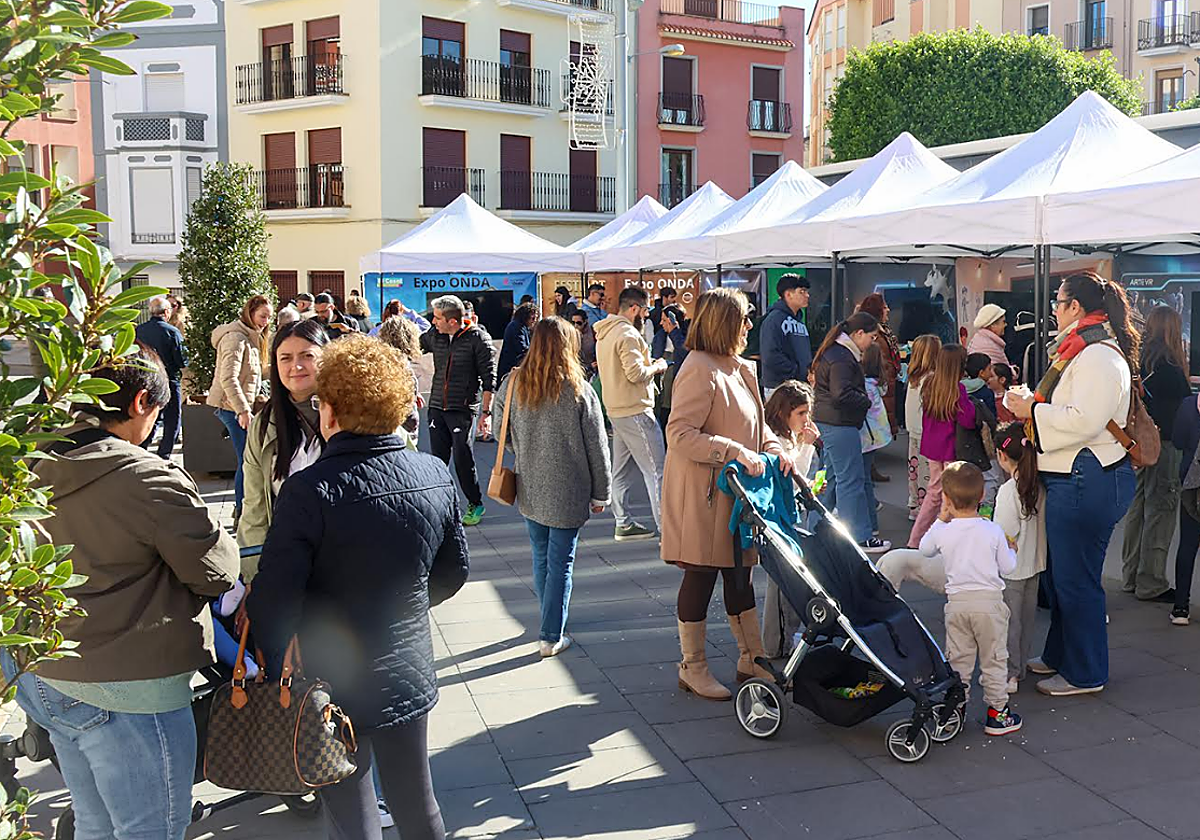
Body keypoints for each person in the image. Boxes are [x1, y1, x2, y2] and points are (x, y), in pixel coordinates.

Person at [1, 345, 239, 840]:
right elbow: (214, 574)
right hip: (129, 689)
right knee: (149, 829)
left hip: (40, 671)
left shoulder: (24, 464)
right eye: (156, 413)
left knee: (96, 823)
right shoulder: (146, 477)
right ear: (140, 403)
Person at [247, 335, 468, 840]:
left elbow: (274, 598)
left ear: (330, 412)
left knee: (351, 810)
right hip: (406, 662)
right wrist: (404, 604)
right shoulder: (433, 472)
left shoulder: (310, 490)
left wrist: (276, 652)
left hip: (329, 675)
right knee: (417, 800)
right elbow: (453, 572)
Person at [1008, 271, 1137, 696]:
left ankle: (1085, 673)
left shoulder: (1097, 355)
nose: (1054, 311)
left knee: (1075, 580)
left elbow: (1084, 421)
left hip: (1086, 477)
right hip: (1079, 476)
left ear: (1074, 307)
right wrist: (1032, 406)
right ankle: (1062, 656)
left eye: (1057, 303)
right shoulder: (1085, 349)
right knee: (1066, 577)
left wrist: (1031, 410)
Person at [661, 288, 788, 700]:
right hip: (704, 496)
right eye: (744, 318)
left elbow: (757, 425)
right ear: (725, 323)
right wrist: (734, 451)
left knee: (740, 575)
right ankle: (692, 666)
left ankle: (752, 657)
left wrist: (775, 449)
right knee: (700, 576)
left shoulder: (738, 366)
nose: (750, 325)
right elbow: (679, 433)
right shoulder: (699, 367)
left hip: (737, 495)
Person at [493, 318, 611, 657]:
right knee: (562, 561)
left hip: (530, 483)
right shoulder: (578, 388)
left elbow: (502, 433)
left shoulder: (513, 383)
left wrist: (526, 450)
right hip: (570, 487)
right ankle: (550, 634)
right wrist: (601, 492)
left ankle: (550, 620)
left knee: (541, 556)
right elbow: (597, 445)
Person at [918, 461, 1022, 736]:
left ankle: (956, 709)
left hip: (957, 605)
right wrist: (1012, 550)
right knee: (994, 659)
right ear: (982, 496)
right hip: (989, 605)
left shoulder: (945, 530)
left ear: (946, 498)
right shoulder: (992, 530)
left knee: (959, 661)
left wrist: (941, 518)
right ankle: (998, 714)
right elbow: (1008, 568)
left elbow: (924, 549)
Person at [237, 318, 329, 563]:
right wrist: (253, 572)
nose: (296, 366)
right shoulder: (264, 425)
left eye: (307, 356)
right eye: (285, 358)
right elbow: (254, 508)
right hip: (289, 559)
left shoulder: (357, 412)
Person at [1121, 305, 1190, 602]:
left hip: (1140, 443)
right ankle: (1151, 582)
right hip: (1166, 444)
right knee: (1161, 508)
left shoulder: (1139, 361)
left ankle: (1131, 576)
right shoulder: (1171, 368)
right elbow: (1184, 410)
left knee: (1137, 508)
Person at [811, 312, 890, 553]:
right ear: (858, 333)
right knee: (851, 481)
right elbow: (841, 393)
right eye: (872, 337)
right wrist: (865, 401)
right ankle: (859, 537)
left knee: (832, 478)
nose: (873, 342)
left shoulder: (836, 353)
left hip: (830, 421)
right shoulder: (843, 357)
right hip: (840, 423)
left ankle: (814, 529)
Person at [594, 286, 669, 540]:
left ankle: (623, 522)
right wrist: (658, 366)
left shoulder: (606, 331)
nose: (647, 315)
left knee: (621, 470)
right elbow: (635, 373)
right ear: (634, 308)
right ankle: (667, 532)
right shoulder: (627, 333)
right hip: (635, 409)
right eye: (645, 310)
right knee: (656, 471)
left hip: (617, 409)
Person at [421, 294, 497, 527]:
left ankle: (475, 503)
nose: (433, 322)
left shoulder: (478, 339)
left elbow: (489, 380)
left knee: (463, 458)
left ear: (452, 321)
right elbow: (412, 344)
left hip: (462, 409)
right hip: (436, 406)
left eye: (437, 318)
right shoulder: (435, 335)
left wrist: (486, 414)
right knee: (437, 461)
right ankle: (440, 506)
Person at [761, 380, 819, 657]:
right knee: (784, 580)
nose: (806, 420)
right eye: (801, 413)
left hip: (788, 513)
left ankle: (782, 639)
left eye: (808, 412)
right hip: (780, 517)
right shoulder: (778, 442)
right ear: (784, 413)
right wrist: (807, 447)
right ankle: (778, 643)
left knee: (791, 577)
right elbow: (794, 476)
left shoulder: (789, 437)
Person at [207, 293, 273, 522]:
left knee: (248, 460)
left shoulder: (251, 337)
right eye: (263, 316)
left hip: (237, 407)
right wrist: (243, 411)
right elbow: (228, 378)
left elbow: (254, 373)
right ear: (250, 312)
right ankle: (242, 511)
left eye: (269, 317)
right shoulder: (236, 338)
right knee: (248, 461)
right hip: (232, 408)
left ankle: (243, 510)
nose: (266, 321)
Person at [993, 423, 1047, 693]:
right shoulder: (1039, 485)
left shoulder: (1008, 491)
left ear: (1001, 456)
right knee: (1026, 620)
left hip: (1011, 567)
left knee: (1009, 623)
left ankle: (1009, 673)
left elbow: (1005, 532)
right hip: (1035, 562)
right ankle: (1020, 666)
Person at [909, 343, 975, 548]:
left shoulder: (929, 384)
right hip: (950, 448)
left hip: (932, 447)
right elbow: (968, 420)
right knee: (950, 496)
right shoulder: (958, 389)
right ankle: (945, 542)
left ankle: (915, 540)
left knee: (934, 492)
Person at [135, 294, 187, 459]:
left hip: (146, 380)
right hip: (169, 379)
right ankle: (164, 454)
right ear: (166, 312)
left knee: (150, 415)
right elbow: (182, 360)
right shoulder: (172, 332)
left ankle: (142, 448)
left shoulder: (138, 331)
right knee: (172, 418)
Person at [1171, 393, 1200, 626]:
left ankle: (1181, 607)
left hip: (1192, 482)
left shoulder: (1189, 405)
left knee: (1188, 544)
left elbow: (1178, 441)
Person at [759, 274, 812, 399]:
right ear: (788, 294)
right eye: (802, 292)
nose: (807, 295)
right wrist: (797, 372)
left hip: (798, 385)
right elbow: (770, 355)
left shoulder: (799, 321)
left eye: (806, 292)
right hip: (779, 387)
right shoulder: (774, 320)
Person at [905, 335, 941, 520]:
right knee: (929, 474)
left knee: (915, 470)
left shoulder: (913, 377)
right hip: (928, 432)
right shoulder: (933, 378)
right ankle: (926, 510)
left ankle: (915, 504)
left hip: (913, 430)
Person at [860, 343, 893, 539]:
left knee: (863, 478)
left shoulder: (863, 384)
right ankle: (873, 503)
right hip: (877, 434)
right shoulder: (878, 382)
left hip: (866, 435)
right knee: (865, 475)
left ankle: (872, 524)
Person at [858, 293, 902, 440]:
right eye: (884, 307)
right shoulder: (873, 334)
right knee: (876, 426)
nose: (888, 310)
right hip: (879, 385)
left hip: (886, 383)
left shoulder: (884, 331)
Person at [651, 303, 690, 428]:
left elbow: (684, 352)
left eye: (664, 320)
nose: (661, 323)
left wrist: (674, 331)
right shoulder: (660, 335)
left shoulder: (686, 334)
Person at [497, 302, 538, 383]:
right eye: (533, 318)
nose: (534, 321)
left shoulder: (520, 326)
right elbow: (522, 349)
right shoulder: (517, 327)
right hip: (511, 368)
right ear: (525, 316)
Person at [967, 303, 1011, 370]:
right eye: (1003, 322)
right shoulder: (987, 345)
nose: (1005, 325)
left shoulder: (981, 338)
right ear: (992, 325)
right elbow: (997, 373)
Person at [571, 311, 599, 378]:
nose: (575, 325)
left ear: (585, 321)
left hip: (592, 372)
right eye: (573, 323)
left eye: (579, 323)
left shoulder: (594, 333)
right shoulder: (570, 334)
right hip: (576, 371)